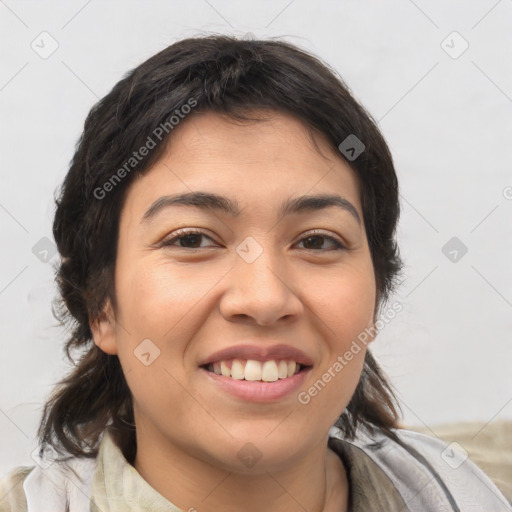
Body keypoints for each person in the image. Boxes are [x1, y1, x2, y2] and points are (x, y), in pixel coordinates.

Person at [0, 34, 509, 512]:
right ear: (100, 305)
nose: (265, 298)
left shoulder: (468, 493)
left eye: (317, 241)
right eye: (193, 239)